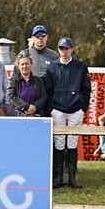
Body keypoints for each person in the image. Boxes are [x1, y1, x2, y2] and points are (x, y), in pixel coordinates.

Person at [45, 37, 91, 189]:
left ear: (72, 49)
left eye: (66, 48)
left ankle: (72, 178)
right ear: (58, 50)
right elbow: (48, 91)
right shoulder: (52, 68)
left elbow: (86, 89)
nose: (64, 51)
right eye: (61, 49)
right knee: (58, 143)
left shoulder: (81, 67)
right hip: (57, 110)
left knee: (72, 143)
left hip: (75, 111)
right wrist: (51, 108)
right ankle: (58, 178)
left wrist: (82, 108)